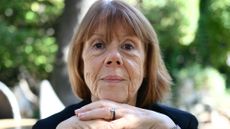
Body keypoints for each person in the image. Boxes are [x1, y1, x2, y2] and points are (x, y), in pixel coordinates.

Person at [33, 0, 198, 129]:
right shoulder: (48, 127)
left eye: (128, 46)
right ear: (81, 62)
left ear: (147, 64)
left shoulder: (181, 124)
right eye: (98, 45)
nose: (113, 57)